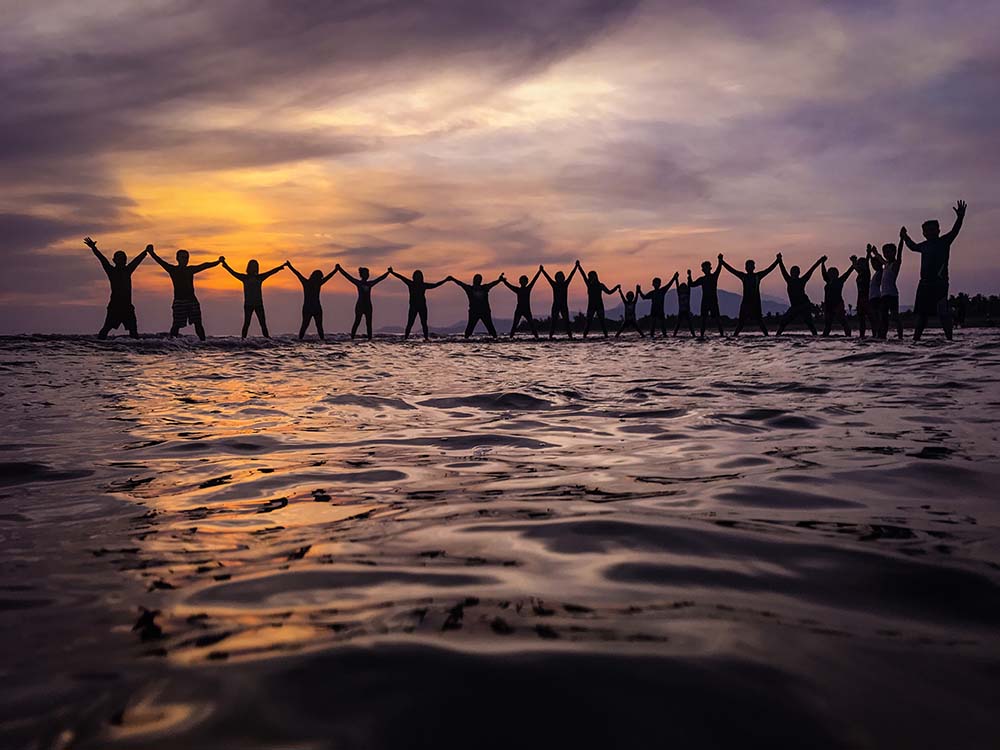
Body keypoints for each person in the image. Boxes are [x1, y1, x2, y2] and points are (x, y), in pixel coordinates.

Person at [901, 200, 967, 341]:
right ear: (924, 233)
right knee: (921, 315)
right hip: (924, 284)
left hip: (940, 283)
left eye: (933, 229)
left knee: (943, 312)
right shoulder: (924, 246)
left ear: (938, 230)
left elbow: (955, 231)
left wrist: (960, 217)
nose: (930, 232)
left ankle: (949, 339)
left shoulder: (944, 241)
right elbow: (912, 246)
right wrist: (905, 237)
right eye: (927, 230)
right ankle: (916, 340)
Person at [148, 246, 223, 341]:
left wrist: (217, 262)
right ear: (177, 258)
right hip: (179, 301)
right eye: (183, 257)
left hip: (192, 301)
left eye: (187, 258)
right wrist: (151, 253)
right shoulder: (172, 269)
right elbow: (160, 261)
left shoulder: (190, 270)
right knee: (176, 325)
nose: (185, 260)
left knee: (198, 323)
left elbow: (204, 265)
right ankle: (172, 344)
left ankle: (203, 343)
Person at [84, 236, 149, 339]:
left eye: (123, 259)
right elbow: (102, 259)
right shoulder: (111, 271)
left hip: (127, 307)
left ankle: (135, 349)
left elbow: (137, 261)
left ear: (126, 260)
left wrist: (145, 252)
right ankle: (98, 346)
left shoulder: (128, 270)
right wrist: (93, 248)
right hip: (115, 307)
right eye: (119, 258)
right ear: (114, 260)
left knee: (133, 331)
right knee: (106, 329)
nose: (122, 261)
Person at [220, 258, 285, 338]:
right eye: (252, 266)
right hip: (248, 305)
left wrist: (280, 267)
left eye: (255, 266)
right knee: (247, 323)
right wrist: (225, 265)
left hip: (259, 304)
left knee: (263, 324)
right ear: (249, 267)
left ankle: (267, 340)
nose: (254, 268)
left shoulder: (260, 277)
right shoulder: (244, 278)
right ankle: (243, 340)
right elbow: (233, 273)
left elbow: (270, 272)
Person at [720, 254, 780, 335]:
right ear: (746, 268)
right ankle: (735, 336)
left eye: (751, 266)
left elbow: (769, 269)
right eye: (748, 266)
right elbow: (732, 270)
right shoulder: (743, 276)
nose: (750, 268)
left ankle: (767, 336)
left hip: (755, 303)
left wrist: (777, 260)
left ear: (754, 267)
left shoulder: (757, 276)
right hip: (746, 303)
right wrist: (722, 262)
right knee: (741, 323)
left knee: (760, 322)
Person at [388, 268, 449, 340]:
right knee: (410, 323)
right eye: (416, 276)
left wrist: (445, 280)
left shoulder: (422, 285)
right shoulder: (411, 284)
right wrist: (392, 272)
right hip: (413, 307)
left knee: (423, 324)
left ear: (421, 277)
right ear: (414, 277)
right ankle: (406, 338)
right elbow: (401, 277)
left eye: (419, 276)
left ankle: (426, 338)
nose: (417, 278)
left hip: (422, 307)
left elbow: (435, 285)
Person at [335, 265, 390, 340]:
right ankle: (352, 338)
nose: (367, 275)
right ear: (361, 275)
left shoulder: (370, 283)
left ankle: (370, 339)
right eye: (365, 273)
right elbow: (347, 276)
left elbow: (380, 279)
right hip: (360, 306)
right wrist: (339, 269)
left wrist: (388, 272)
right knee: (357, 322)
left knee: (369, 324)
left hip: (368, 306)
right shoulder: (358, 283)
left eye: (368, 273)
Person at [775, 253, 824, 336]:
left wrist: (820, 261)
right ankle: (777, 336)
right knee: (783, 322)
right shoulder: (788, 280)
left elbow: (811, 269)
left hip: (803, 305)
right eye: (792, 272)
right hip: (794, 306)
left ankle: (815, 336)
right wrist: (779, 260)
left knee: (810, 324)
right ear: (791, 273)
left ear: (798, 273)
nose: (794, 273)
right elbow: (783, 270)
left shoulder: (802, 280)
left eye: (796, 272)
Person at [287, 262, 336, 340]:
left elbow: (328, 277)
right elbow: (297, 273)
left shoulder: (312, 283)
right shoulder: (309, 283)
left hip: (313, 308)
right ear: (314, 276)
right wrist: (290, 266)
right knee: (306, 325)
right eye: (319, 277)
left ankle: (320, 340)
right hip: (310, 308)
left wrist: (335, 270)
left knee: (316, 326)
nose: (319, 279)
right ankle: (301, 340)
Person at [448, 273, 505, 339]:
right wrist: (453, 279)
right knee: (470, 328)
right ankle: (466, 339)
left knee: (490, 328)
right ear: (474, 280)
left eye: (479, 279)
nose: (477, 281)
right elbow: (461, 284)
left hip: (484, 311)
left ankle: (495, 338)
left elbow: (492, 284)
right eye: (476, 279)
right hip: (474, 312)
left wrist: (499, 280)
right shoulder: (470, 289)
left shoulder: (484, 288)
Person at [577, 260, 619, 338]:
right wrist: (579, 267)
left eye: (592, 276)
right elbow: (583, 275)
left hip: (599, 305)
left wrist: (616, 288)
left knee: (602, 322)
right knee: (588, 322)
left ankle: (606, 336)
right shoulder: (589, 285)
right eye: (589, 277)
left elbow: (609, 292)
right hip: (591, 306)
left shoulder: (600, 285)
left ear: (596, 276)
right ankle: (584, 336)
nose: (590, 278)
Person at [689, 255, 725, 337]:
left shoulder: (714, 277)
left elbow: (719, 268)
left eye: (707, 267)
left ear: (710, 268)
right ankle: (702, 335)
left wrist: (720, 260)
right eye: (704, 268)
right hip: (705, 301)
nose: (705, 269)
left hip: (713, 301)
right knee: (703, 320)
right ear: (702, 270)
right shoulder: (702, 279)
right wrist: (689, 276)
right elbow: (692, 284)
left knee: (717, 319)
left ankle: (722, 334)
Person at [540, 263, 579, 338]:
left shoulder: (565, 284)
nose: (560, 279)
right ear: (556, 278)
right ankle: (550, 337)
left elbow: (571, 275)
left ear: (563, 278)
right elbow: (547, 278)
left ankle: (570, 337)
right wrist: (542, 271)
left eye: (561, 277)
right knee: (553, 323)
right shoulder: (554, 284)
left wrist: (576, 267)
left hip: (564, 306)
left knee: (566, 323)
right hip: (556, 306)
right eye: (558, 277)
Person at [502, 267, 543, 338]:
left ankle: (537, 337)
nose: (523, 282)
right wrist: (504, 281)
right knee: (515, 325)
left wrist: (539, 271)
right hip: (519, 309)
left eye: (525, 281)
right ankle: (511, 338)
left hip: (527, 309)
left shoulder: (528, 288)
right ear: (520, 282)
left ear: (526, 282)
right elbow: (509, 286)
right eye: (522, 281)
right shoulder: (518, 290)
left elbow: (534, 280)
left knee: (532, 325)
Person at [820, 259, 855, 336]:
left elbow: (847, 273)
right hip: (829, 305)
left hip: (837, 304)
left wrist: (853, 264)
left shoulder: (840, 281)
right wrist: (822, 263)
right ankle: (825, 337)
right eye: (830, 273)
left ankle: (848, 336)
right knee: (828, 324)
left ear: (837, 274)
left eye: (833, 273)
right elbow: (823, 273)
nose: (831, 275)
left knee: (843, 321)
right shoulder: (827, 281)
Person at [879, 237, 905, 340]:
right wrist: (874, 252)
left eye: (888, 252)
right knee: (884, 318)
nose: (886, 254)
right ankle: (883, 336)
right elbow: (880, 258)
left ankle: (900, 337)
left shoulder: (895, 264)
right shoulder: (886, 265)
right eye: (885, 252)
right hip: (884, 295)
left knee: (895, 317)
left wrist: (901, 240)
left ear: (893, 252)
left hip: (892, 295)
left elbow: (900, 253)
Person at [640, 273, 678, 338]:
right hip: (654, 310)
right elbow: (644, 297)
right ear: (653, 284)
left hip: (660, 311)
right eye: (655, 283)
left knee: (663, 326)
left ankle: (664, 336)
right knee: (652, 326)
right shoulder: (652, 293)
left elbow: (669, 284)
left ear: (660, 284)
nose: (656, 284)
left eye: (657, 283)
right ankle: (652, 336)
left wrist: (674, 278)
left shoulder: (662, 291)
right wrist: (639, 291)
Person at [852, 254, 873, 338]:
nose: (860, 265)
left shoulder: (866, 273)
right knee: (861, 319)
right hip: (860, 298)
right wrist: (853, 261)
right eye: (859, 264)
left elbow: (867, 263)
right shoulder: (860, 273)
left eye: (862, 264)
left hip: (866, 298)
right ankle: (862, 335)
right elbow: (855, 267)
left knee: (871, 317)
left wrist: (868, 252)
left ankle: (875, 334)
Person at [867, 244, 884, 338]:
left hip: (876, 297)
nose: (873, 266)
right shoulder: (877, 273)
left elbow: (877, 261)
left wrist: (873, 253)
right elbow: (872, 261)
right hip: (873, 297)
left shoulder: (881, 272)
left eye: (875, 264)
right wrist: (869, 253)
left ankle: (878, 334)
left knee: (876, 317)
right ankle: (876, 334)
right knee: (874, 318)